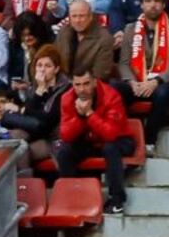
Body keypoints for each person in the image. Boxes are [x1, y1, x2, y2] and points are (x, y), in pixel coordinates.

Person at [116, 0, 169, 149]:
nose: (152, 5)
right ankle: (123, 136)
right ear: (141, 5)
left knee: (165, 92)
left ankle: (150, 139)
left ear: (163, 5)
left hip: (161, 83)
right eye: (148, 1)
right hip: (137, 83)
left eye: (157, 1)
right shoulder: (130, 29)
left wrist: (156, 81)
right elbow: (124, 63)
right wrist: (132, 82)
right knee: (115, 88)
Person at [55, 64, 133, 214]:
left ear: (95, 82)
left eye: (86, 83)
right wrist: (79, 116)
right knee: (64, 152)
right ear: (72, 84)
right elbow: (66, 134)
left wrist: (89, 114)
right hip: (90, 140)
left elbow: (110, 133)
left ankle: (117, 200)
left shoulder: (111, 95)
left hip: (120, 139)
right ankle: (72, 200)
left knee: (110, 148)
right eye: (77, 85)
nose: (82, 89)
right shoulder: (67, 98)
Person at [54, 0, 113, 80]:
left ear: (90, 17)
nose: (78, 20)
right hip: (62, 83)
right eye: (74, 16)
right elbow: (54, 60)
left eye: (82, 16)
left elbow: (100, 74)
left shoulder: (104, 38)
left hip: (88, 85)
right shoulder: (64, 32)